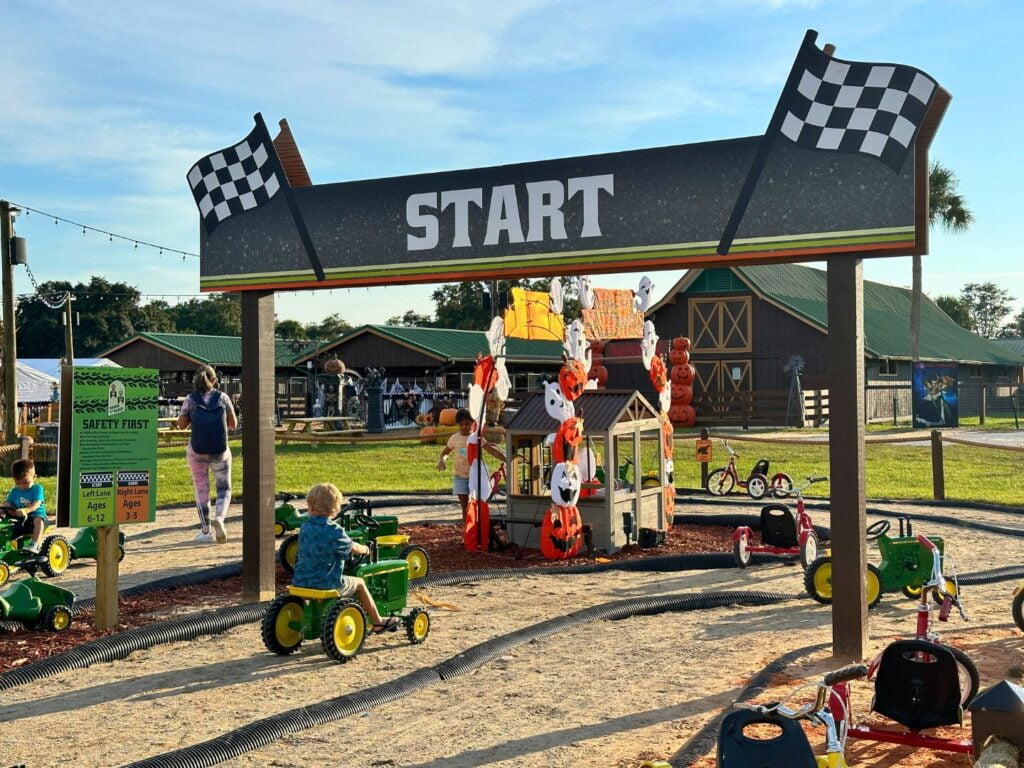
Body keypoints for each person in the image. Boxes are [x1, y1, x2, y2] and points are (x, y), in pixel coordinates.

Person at [292, 483, 399, 633]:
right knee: (360, 583)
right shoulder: (334, 530)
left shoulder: (305, 527)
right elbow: (353, 548)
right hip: (326, 583)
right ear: (335, 510)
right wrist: (366, 549)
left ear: (309, 505)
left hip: (300, 580)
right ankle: (378, 621)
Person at [177, 365, 236, 544]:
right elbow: (233, 424)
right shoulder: (223, 397)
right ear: (214, 380)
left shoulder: (190, 399)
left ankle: (205, 531)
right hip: (220, 451)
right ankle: (220, 518)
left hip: (197, 451)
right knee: (224, 488)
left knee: (201, 488)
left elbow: (181, 425)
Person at [436, 408, 506, 523]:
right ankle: (467, 529)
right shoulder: (454, 438)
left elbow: (491, 450)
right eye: (461, 424)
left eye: (467, 424)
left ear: (472, 423)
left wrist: (506, 459)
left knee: (474, 504)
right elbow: (445, 452)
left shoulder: (476, 438)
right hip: (460, 477)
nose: (464, 427)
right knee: (464, 506)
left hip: (475, 477)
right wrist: (442, 460)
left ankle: (476, 525)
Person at [0, 459, 47, 552]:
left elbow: (37, 504)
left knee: (38, 520)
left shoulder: (37, 489)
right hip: (21, 520)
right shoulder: (14, 491)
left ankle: (35, 544)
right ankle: (5, 547)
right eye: (18, 483)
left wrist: (26, 510)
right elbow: (8, 503)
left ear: (34, 477)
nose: (22, 486)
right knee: (6, 525)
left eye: (25, 482)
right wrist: (2, 508)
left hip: (35, 518)